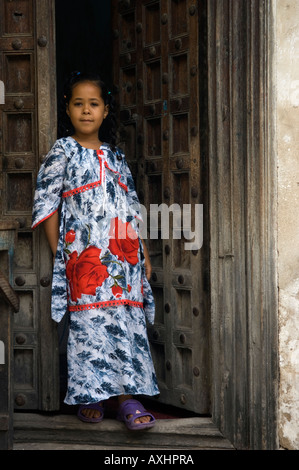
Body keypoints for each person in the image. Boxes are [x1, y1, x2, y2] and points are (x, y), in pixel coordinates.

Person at [32, 71, 159, 430]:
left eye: (94, 104)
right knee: (89, 325)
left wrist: (144, 253)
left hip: (123, 257)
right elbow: (47, 204)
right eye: (78, 104)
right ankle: (92, 394)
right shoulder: (63, 150)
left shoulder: (115, 156)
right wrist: (63, 253)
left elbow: (131, 207)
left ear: (105, 112)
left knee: (124, 322)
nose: (86, 110)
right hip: (84, 257)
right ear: (68, 110)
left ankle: (126, 398)